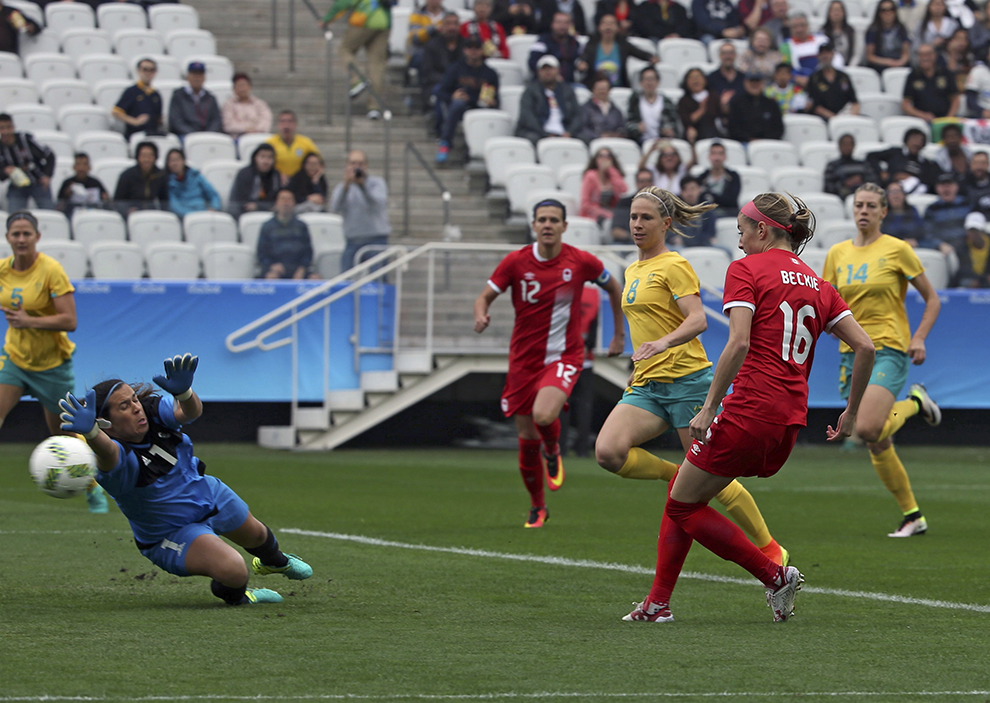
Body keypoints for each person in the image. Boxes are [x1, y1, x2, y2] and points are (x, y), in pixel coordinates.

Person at [622, 192, 875, 624]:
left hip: (750, 409)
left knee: (682, 505)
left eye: (741, 231)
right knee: (682, 493)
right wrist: (850, 413)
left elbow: (738, 342)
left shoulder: (745, 269)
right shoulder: (818, 284)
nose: (739, 242)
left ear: (762, 229)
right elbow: (866, 346)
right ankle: (657, 603)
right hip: (791, 420)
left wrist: (708, 407)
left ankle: (774, 576)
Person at [594, 186, 790, 568]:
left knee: (714, 475)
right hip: (648, 386)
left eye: (646, 217)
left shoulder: (674, 265)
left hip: (687, 382)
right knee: (608, 453)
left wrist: (661, 343)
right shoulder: (633, 268)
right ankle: (679, 474)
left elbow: (698, 319)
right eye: (633, 217)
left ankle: (770, 546)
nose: (637, 224)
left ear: (666, 223)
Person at [57, 353, 313, 605]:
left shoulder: (151, 412)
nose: (136, 407)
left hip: (208, 494)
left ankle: (275, 563)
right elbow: (107, 452)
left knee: (257, 536)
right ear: (107, 424)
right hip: (171, 533)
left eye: (133, 399)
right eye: (124, 406)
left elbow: (189, 413)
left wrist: (185, 394)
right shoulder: (115, 460)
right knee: (234, 570)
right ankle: (241, 597)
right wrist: (91, 433)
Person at [473, 199, 625, 528]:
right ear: (533, 225)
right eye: (542, 219)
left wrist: (618, 336)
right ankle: (537, 507)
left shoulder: (580, 261)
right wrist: (481, 313)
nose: (547, 225)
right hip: (523, 361)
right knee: (526, 438)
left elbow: (614, 287)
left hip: (564, 354)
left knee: (544, 414)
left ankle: (554, 448)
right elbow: (484, 296)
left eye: (554, 220)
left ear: (564, 226)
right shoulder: (515, 262)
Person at [823, 182, 942, 538]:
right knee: (876, 441)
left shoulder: (897, 249)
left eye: (871, 206)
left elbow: (932, 299)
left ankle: (916, 402)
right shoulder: (837, 253)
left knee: (868, 428)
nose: (863, 211)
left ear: (883, 212)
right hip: (852, 354)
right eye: (859, 205)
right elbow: (825, 301)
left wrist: (918, 336)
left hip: (888, 346)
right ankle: (913, 515)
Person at [0, 211, 106, 514]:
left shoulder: (51, 270)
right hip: (14, 358)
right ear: (7, 238)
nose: (21, 239)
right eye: (15, 234)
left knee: (63, 435)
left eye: (26, 234)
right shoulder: (3, 270)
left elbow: (70, 320)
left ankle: (91, 485)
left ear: (37, 237)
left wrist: (27, 319)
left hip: (51, 365)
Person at [434, 34, 500, 164]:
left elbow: (496, 99)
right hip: (459, 108)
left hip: (480, 107)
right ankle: (445, 143)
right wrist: (452, 96)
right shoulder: (455, 68)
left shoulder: (490, 73)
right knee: (458, 104)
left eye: (477, 48)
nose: (473, 51)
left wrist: (492, 102)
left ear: (482, 50)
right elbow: (441, 92)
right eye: (470, 47)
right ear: (465, 50)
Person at [322, 0, 391, 120]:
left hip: (365, 17)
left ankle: (358, 78)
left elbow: (345, 2)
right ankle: (374, 107)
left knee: (345, 49)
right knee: (377, 65)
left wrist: (328, 18)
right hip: (384, 20)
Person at [329, 150, 392, 272]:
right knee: (346, 282)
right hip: (353, 241)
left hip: (376, 240)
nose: (356, 167)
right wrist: (345, 187)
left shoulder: (377, 183)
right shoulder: (342, 187)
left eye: (360, 163)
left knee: (378, 282)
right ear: (347, 166)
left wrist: (363, 186)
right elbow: (334, 208)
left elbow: (379, 204)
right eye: (353, 163)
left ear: (366, 166)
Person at [576, 14, 657, 89]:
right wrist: (582, 65)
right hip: (595, 87)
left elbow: (639, 53)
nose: (608, 27)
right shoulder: (591, 44)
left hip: (618, 87)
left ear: (617, 28)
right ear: (599, 27)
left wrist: (651, 57)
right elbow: (583, 59)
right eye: (605, 23)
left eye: (611, 24)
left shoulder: (623, 44)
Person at [515, 55, 583, 145]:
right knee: (531, 138)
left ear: (558, 70)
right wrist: (545, 134)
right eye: (544, 69)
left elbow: (577, 115)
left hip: (564, 131)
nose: (547, 72)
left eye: (550, 69)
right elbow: (527, 117)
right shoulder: (530, 91)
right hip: (539, 132)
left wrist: (570, 132)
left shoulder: (567, 91)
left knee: (584, 137)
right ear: (539, 72)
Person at [257, 189, 317, 280]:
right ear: (276, 203)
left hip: (297, 267)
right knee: (269, 278)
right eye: (283, 199)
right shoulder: (267, 226)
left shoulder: (301, 226)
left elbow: (308, 252)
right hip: (275, 268)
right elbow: (262, 253)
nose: (286, 203)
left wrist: (302, 268)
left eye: (289, 199)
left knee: (316, 279)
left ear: (294, 204)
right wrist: (271, 266)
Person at [0, 113, 55, 211]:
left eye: (8, 127)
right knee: (14, 216)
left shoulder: (25, 139)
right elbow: (1, 177)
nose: (5, 132)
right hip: (17, 186)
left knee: (49, 212)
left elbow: (49, 155)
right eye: (2, 128)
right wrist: (5, 171)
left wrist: (47, 175)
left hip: (38, 182)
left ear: (13, 127)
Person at [866, 127, 941, 193]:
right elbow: (871, 156)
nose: (917, 143)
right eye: (914, 139)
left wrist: (910, 178)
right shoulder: (895, 153)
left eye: (921, 140)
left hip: (916, 192)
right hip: (892, 188)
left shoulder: (926, 163)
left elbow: (930, 181)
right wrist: (881, 172)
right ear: (906, 140)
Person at [901, 44, 960, 122]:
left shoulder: (945, 73)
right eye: (921, 55)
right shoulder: (913, 76)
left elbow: (955, 99)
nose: (924, 58)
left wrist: (948, 118)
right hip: (921, 120)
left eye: (928, 54)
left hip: (945, 119)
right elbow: (905, 104)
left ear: (934, 56)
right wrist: (922, 115)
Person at [421, 12, 464, 114]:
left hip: (461, 85)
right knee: (439, 92)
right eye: (448, 24)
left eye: (455, 24)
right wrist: (448, 81)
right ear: (442, 26)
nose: (451, 27)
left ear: (459, 26)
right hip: (438, 85)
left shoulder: (467, 46)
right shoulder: (432, 46)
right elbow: (427, 72)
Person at [625, 66, 681, 144]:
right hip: (641, 142)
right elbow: (628, 123)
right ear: (641, 83)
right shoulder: (634, 101)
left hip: (662, 143)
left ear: (658, 82)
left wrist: (669, 131)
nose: (649, 82)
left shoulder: (667, 102)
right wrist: (637, 128)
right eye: (646, 79)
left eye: (652, 79)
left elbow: (675, 124)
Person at [805, 41, 859, 119]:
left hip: (845, 115)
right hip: (824, 118)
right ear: (818, 56)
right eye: (822, 53)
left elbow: (854, 101)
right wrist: (835, 118)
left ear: (833, 54)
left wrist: (852, 117)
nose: (825, 56)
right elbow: (814, 106)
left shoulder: (843, 76)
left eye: (828, 53)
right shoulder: (814, 78)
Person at [112, 58, 164, 139]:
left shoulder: (156, 95)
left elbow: (158, 117)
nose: (148, 73)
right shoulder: (132, 91)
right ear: (139, 71)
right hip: (134, 135)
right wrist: (134, 121)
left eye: (151, 70)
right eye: (145, 69)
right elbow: (116, 112)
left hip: (152, 135)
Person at [113, 141, 169, 216]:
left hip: (152, 214)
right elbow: (118, 202)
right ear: (138, 157)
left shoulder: (160, 175)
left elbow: (165, 201)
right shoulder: (127, 176)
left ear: (155, 157)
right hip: (131, 215)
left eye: (150, 156)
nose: (146, 159)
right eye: (143, 156)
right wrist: (127, 210)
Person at [168, 62, 223, 138]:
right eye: (194, 74)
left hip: (207, 136)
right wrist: (193, 135)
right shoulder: (178, 96)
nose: (197, 78)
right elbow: (176, 121)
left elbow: (216, 120)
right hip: (185, 135)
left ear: (204, 77)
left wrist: (208, 134)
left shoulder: (210, 98)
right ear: (188, 77)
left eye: (200, 74)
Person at [266, 111, 321, 185]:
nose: (286, 125)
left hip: (301, 183)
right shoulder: (270, 143)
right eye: (283, 122)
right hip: (278, 182)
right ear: (278, 125)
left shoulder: (306, 142)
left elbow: (320, 162)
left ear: (296, 125)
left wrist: (317, 175)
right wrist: (277, 174)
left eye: (289, 121)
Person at [727, 71, 784, 142]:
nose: (754, 84)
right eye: (752, 81)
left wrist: (763, 140)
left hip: (767, 144)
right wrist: (749, 139)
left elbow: (778, 129)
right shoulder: (737, 103)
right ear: (745, 83)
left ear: (763, 84)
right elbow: (732, 128)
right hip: (744, 143)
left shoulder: (771, 104)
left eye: (757, 82)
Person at [781, 12, 833, 87]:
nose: (799, 29)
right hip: (799, 84)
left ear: (808, 26)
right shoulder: (786, 45)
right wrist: (798, 78)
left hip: (824, 80)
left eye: (802, 25)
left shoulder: (822, 39)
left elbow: (835, 59)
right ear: (790, 28)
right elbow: (786, 68)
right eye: (795, 26)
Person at [165, 149, 221, 218]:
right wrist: (191, 215)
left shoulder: (196, 176)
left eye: (177, 159)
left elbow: (213, 194)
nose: (175, 163)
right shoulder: (167, 182)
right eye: (172, 160)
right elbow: (174, 205)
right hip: (183, 217)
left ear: (184, 161)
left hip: (203, 213)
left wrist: (214, 207)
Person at [228, 143, 279, 218]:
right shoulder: (244, 173)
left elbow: (276, 202)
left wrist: (258, 206)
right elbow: (237, 200)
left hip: (269, 213)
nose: (265, 161)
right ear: (255, 157)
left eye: (269, 157)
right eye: (262, 156)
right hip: (243, 212)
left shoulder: (275, 175)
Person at [527, 12, 581, 84]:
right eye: (559, 22)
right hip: (543, 84)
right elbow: (533, 63)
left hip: (569, 84)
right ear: (552, 24)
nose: (562, 26)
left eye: (566, 23)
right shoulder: (542, 41)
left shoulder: (574, 43)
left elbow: (576, 61)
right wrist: (552, 76)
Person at [579, 147, 628, 226]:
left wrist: (611, 170)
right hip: (593, 216)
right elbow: (585, 204)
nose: (604, 159)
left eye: (608, 157)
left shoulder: (613, 177)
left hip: (612, 214)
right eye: (601, 156)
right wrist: (604, 213)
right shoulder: (590, 176)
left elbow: (623, 190)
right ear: (596, 160)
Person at [55, 152, 110, 220]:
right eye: (78, 164)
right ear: (74, 167)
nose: (81, 168)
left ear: (89, 167)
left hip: (93, 216)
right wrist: (66, 195)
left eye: (84, 164)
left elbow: (106, 201)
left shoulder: (95, 183)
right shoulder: (67, 183)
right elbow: (59, 204)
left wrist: (105, 198)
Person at [576, 72, 627, 143]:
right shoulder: (585, 109)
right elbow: (581, 130)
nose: (602, 92)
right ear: (593, 90)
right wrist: (599, 136)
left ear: (609, 91)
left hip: (614, 143)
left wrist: (616, 135)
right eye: (600, 89)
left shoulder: (615, 111)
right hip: (593, 143)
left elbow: (622, 128)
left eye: (605, 89)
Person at [824, 134, 878, 200]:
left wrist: (860, 182)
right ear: (839, 146)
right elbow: (828, 187)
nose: (847, 147)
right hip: (841, 199)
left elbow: (874, 183)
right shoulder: (833, 166)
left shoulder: (863, 165)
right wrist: (845, 183)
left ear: (854, 146)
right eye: (844, 144)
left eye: (850, 144)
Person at [864, 0, 911, 74]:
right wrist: (888, 62)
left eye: (891, 9)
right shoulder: (873, 30)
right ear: (879, 13)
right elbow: (870, 56)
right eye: (884, 10)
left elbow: (906, 52)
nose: (888, 13)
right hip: (879, 66)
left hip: (899, 64)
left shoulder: (901, 28)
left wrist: (900, 62)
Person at [922, 172, 969, 246]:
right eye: (942, 186)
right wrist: (940, 244)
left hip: (966, 244)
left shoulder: (967, 204)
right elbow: (927, 233)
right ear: (937, 188)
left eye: (949, 185)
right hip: (944, 247)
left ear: (956, 187)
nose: (946, 189)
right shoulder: (932, 209)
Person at [221, 73, 274, 139]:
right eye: (239, 86)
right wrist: (246, 130)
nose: (242, 89)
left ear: (249, 86)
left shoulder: (260, 104)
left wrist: (255, 130)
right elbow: (228, 125)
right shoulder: (228, 105)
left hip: (258, 135)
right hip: (237, 138)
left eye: (243, 85)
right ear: (234, 88)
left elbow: (266, 121)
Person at [696, 141, 740, 218]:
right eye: (713, 153)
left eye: (720, 153)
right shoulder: (701, 178)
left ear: (725, 156)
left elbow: (731, 201)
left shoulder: (733, 177)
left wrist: (710, 195)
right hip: (706, 215)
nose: (717, 157)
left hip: (727, 213)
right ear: (709, 156)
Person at [610, 168, 655, 243]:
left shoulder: (660, 204)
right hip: (627, 244)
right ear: (636, 183)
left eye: (648, 181)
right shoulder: (624, 203)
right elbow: (615, 231)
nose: (645, 184)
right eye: (642, 181)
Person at [677, 68, 720, 143]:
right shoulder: (684, 101)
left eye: (698, 76)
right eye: (691, 78)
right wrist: (701, 110)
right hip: (692, 138)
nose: (695, 80)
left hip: (713, 136)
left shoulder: (713, 97)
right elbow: (686, 121)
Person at [951, 210, 990, 287]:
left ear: (983, 231)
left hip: (985, 278)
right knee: (968, 282)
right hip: (970, 278)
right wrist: (982, 278)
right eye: (970, 230)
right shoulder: (961, 246)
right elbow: (964, 269)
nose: (973, 234)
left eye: (976, 230)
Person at [820, 0, 856, 66]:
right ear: (829, 13)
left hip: (849, 66)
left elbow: (856, 54)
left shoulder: (851, 31)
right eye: (833, 10)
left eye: (839, 10)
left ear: (844, 13)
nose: (836, 13)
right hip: (828, 67)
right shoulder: (822, 31)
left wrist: (850, 67)